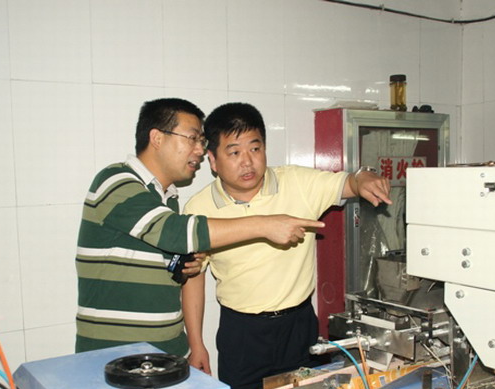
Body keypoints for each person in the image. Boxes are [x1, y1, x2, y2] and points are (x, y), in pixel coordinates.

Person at [75, 98, 324, 355]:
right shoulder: (116, 180)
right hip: (112, 353)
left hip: (168, 350)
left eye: (201, 142)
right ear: (157, 138)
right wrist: (264, 225)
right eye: (192, 139)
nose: (199, 151)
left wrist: (184, 266)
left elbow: (165, 259)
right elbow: (174, 232)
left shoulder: (168, 199)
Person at [182, 102, 391, 389]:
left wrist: (363, 177)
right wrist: (196, 344)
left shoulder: (297, 183)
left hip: (299, 325)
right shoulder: (198, 208)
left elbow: (348, 182)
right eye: (234, 152)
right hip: (242, 333)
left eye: (255, 149)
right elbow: (193, 277)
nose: (247, 162)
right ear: (213, 161)